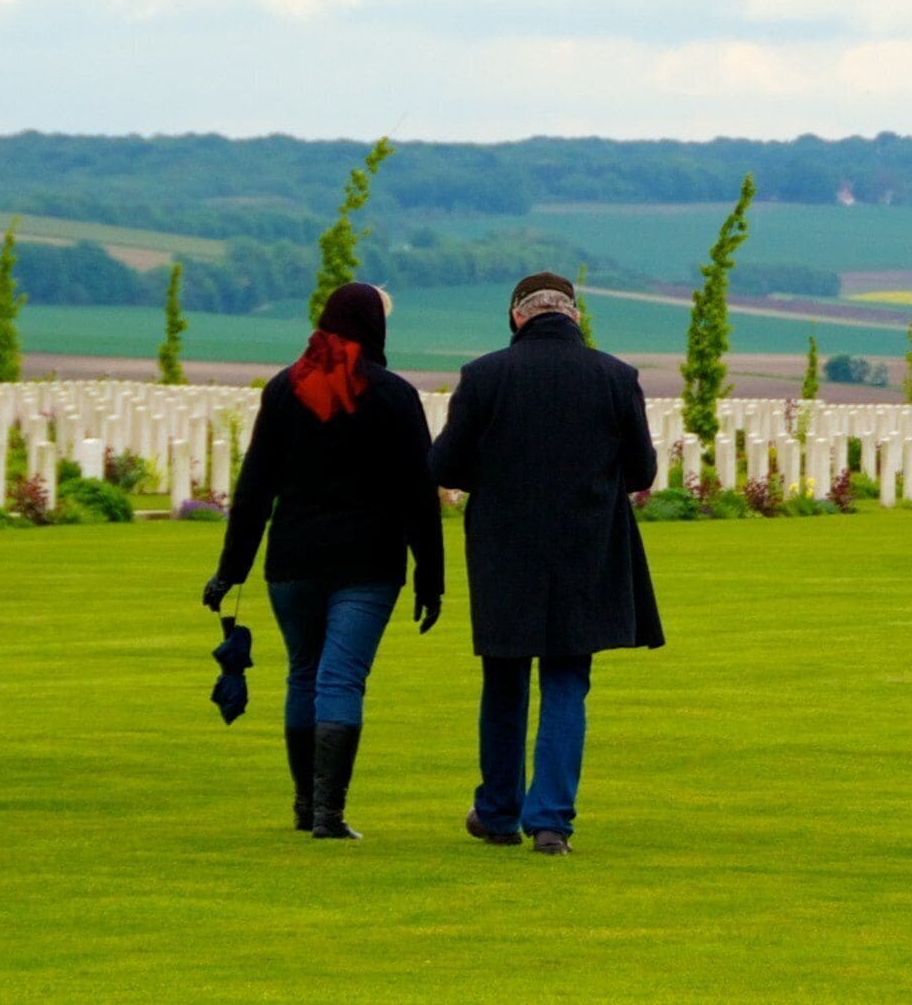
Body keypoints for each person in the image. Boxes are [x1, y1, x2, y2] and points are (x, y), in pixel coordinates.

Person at [427, 273, 662, 855]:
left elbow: (446, 464)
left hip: (505, 549)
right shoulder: (615, 376)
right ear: (575, 316)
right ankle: (552, 820)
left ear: (516, 317)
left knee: (504, 679)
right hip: (586, 548)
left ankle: (498, 813)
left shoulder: (484, 376)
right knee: (566, 681)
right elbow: (640, 470)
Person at [205, 282, 443, 843]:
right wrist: (431, 579)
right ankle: (328, 816)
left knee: (304, 674)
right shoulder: (394, 395)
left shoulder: (285, 390)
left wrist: (231, 569)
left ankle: (305, 802)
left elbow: (255, 487)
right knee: (341, 679)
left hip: (293, 559)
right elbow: (417, 496)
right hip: (368, 561)